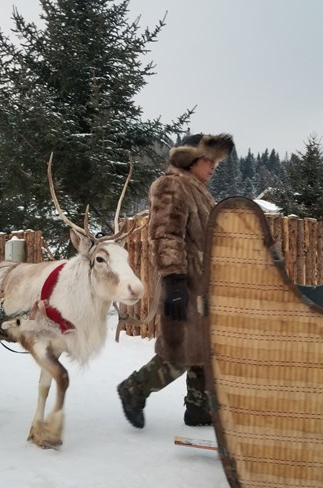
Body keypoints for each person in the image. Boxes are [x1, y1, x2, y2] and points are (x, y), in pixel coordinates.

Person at [117, 133, 234, 428]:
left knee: (204, 347)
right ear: (190, 159)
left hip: (203, 286)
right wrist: (174, 281)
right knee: (181, 348)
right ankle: (134, 389)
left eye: (216, 162)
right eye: (209, 160)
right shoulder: (172, 185)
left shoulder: (198, 191)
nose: (213, 167)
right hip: (185, 282)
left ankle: (199, 408)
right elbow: (165, 234)